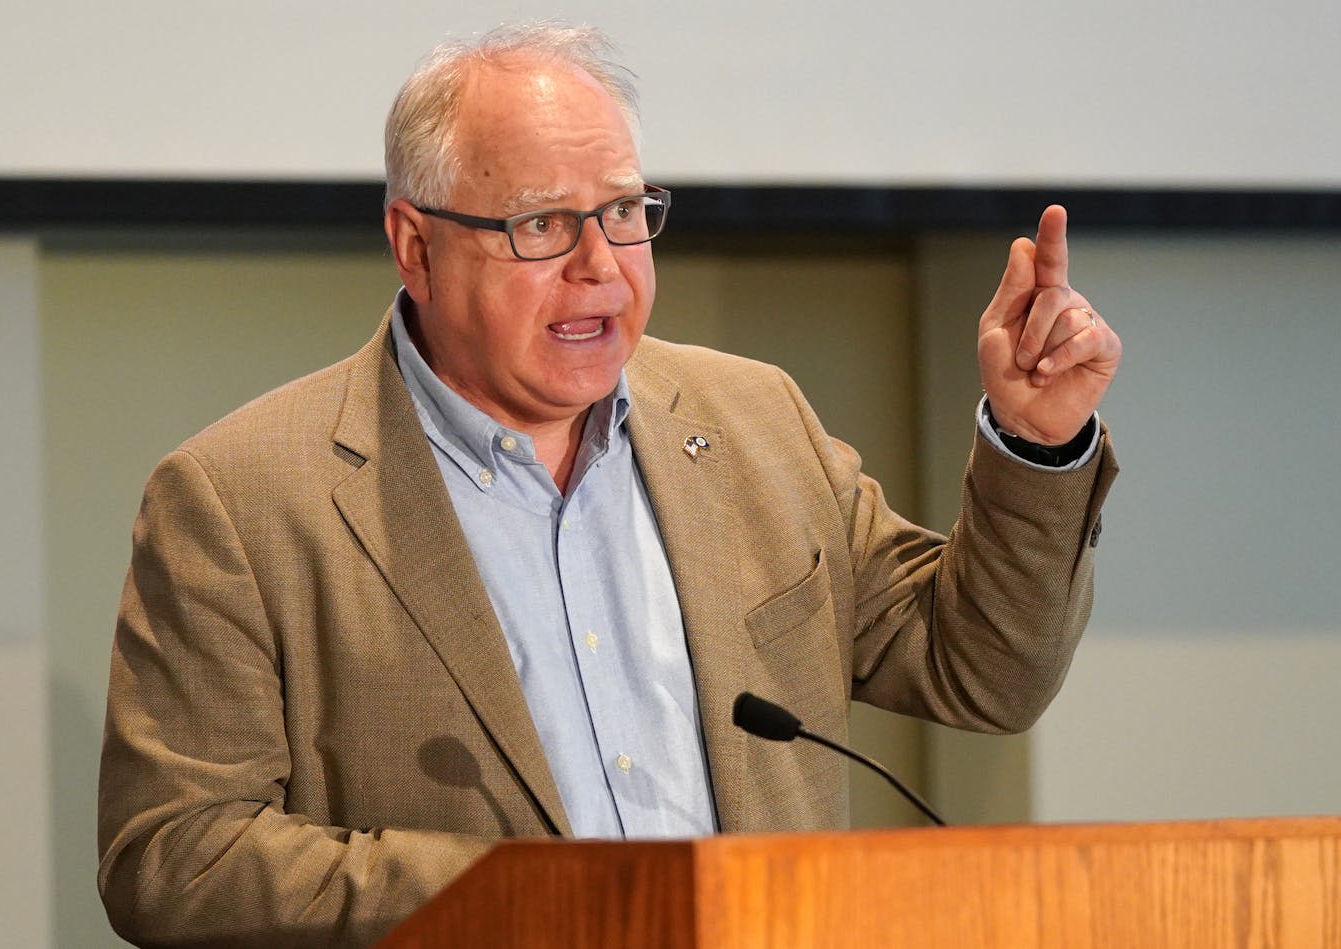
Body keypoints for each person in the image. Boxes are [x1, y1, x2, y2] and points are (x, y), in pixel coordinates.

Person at [98, 22, 1120, 949]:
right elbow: (177, 862)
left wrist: (1034, 444)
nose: (600, 267)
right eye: (541, 226)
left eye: (625, 213)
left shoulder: (753, 421)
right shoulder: (237, 499)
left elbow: (984, 671)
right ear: (415, 246)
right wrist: (523, 894)